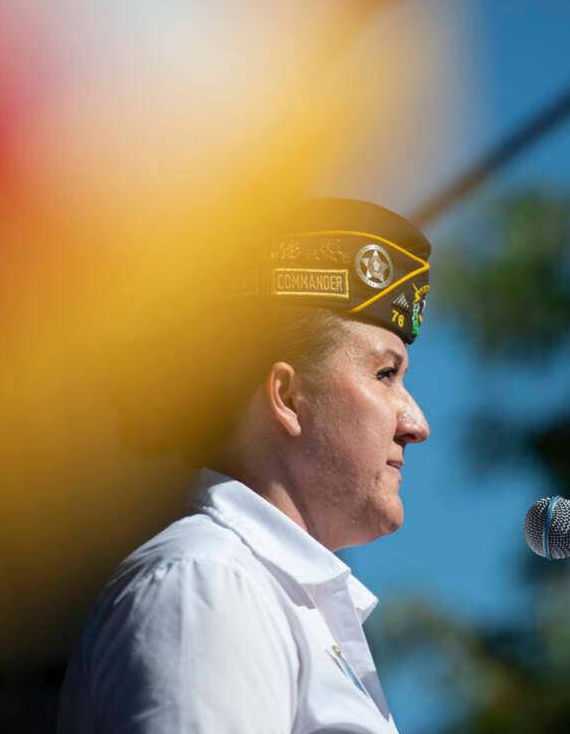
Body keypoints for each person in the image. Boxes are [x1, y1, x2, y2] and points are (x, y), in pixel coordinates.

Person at [58, 198, 432, 733]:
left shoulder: (261, 594)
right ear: (287, 396)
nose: (416, 423)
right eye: (385, 375)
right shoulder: (208, 583)